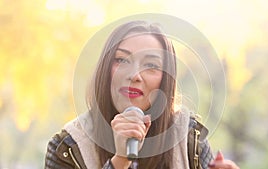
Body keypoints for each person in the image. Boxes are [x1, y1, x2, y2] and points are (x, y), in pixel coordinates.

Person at [44, 20, 239, 169]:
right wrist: (120, 160)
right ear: (105, 68)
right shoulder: (68, 146)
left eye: (151, 65)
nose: (135, 75)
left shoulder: (189, 137)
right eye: (122, 60)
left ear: (165, 80)